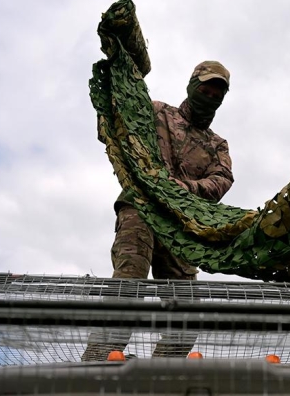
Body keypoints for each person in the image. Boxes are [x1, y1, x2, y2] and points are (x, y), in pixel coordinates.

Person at [81, 60, 233, 361]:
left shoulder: (217, 144)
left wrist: (185, 188)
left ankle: (163, 371)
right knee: (128, 282)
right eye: (206, 89)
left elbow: (222, 180)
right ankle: (99, 359)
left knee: (187, 312)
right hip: (140, 207)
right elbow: (118, 119)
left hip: (182, 225)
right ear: (192, 86)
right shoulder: (157, 112)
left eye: (218, 93)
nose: (211, 96)